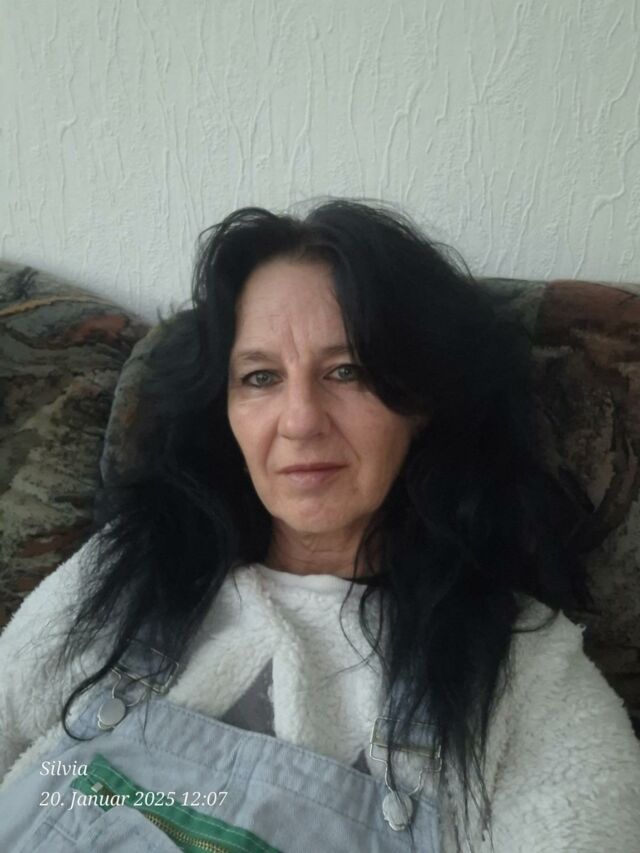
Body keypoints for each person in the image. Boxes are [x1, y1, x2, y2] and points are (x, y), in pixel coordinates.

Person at [0, 199, 639, 853]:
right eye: (260, 377)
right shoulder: (126, 569)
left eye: (346, 370)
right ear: (223, 407)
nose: (301, 420)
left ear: (422, 399)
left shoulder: (523, 674)